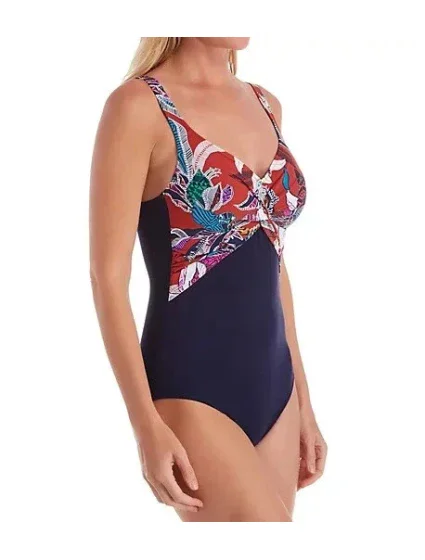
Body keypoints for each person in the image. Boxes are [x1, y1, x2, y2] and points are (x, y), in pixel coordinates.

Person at [90, 37, 327, 522]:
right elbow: (107, 278)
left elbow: (273, 260)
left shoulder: (265, 103)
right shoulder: (138, 106)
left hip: (275, 386)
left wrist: (304, 400)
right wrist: (144, 424)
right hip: (191, 387)